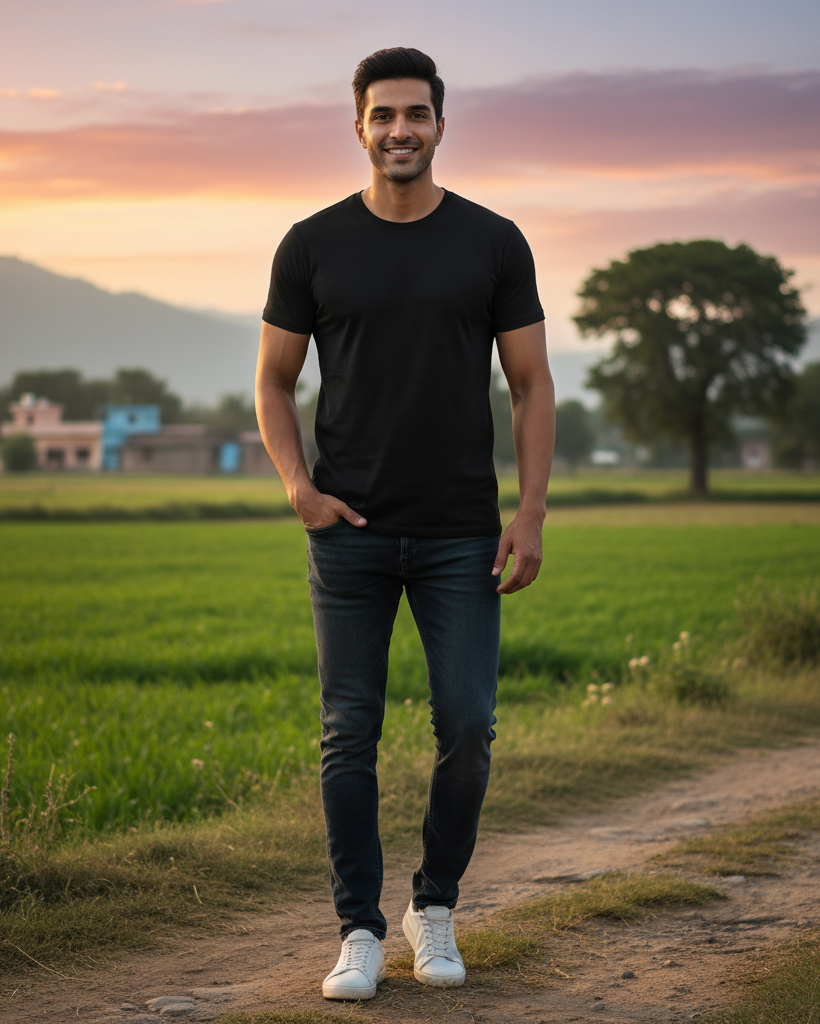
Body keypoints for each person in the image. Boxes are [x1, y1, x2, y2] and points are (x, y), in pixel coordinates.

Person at [256, 47, 555, 1001]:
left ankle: (435, 907)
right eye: (382, 116)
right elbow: (273, 379)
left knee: (467, 727)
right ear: (358, 126)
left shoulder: (494, 241)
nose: (399, 131)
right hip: (345, 531)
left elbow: (531, 383)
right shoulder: (311, 244)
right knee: (349, 732)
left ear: (439, 125)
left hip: (463, 531)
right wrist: (299, 488)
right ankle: (359, 930)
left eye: (415, 115)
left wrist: (531, 512)